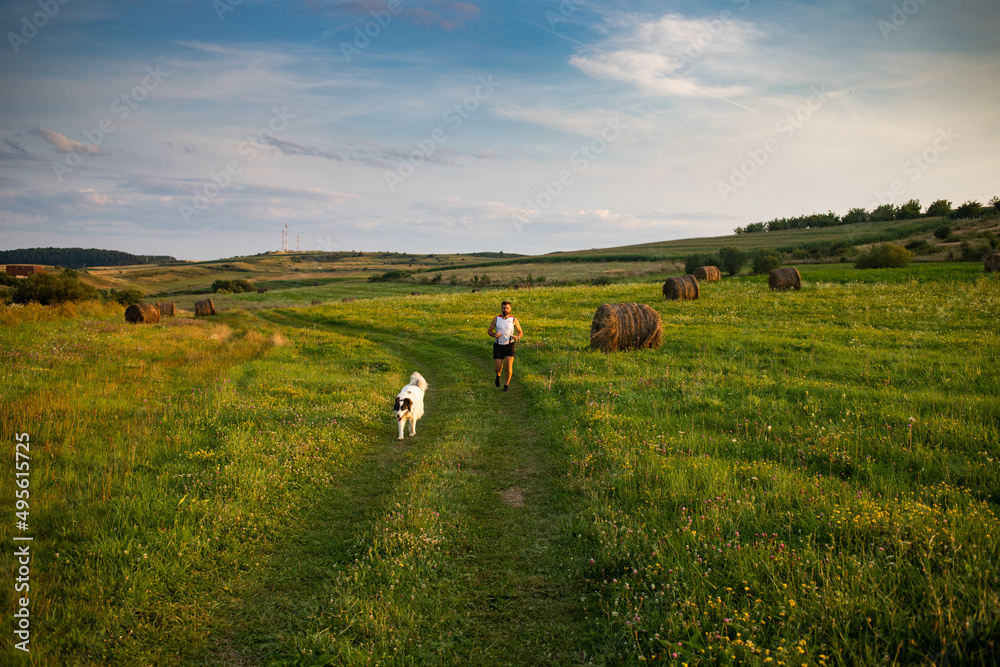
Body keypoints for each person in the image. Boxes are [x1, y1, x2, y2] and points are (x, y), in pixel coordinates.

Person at [487, 300, 523, 391]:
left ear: (510, 309)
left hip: (509, 345)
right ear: (501, 308)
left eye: (507, 308)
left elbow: (520, 332)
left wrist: (518, 337)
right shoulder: (496, 318)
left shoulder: (514, 319)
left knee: (508, 365)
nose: (505, 309)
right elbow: (489, 331)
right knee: (498, 367)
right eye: (504, 308)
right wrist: (494, 334)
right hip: (498, 345)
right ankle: (498, 375)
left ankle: (506, 385)